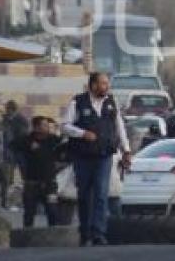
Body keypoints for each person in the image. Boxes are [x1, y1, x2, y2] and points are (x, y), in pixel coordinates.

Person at [62, 72, 131, 246]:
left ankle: (98, 232)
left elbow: (119, 127)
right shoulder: (77, 102)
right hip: (83, 157)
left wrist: (127, 150)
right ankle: (85, 231)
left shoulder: (111, 102)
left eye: (107, 84)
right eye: (102, 84)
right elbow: (65, 126)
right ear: (92, 85)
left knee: (101, 194)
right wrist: (82, 133)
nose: (106, 87)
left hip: (104, 156)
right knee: (84, 195)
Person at [11, 116, 62, 228]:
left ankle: (53, 235)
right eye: (44, 125)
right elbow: (13, 145)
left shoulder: (53, 140)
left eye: (47, 125)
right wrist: (30, 145)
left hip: (49, 183)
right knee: (29, 212)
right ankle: (27, 237)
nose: (47, 127)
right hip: (31, 183)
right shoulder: (27, 140)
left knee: (52, 210)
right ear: (36, 127)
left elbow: (64, 149)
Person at [1, 100, 29, 210]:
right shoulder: (5, 119)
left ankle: (24, 201)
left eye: (8, 109)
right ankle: (8, 201)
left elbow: (22, 135)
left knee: (24, 177)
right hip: (9, 152)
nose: (7, 112)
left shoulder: (21, 120)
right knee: (8, 177)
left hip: (19, 151)